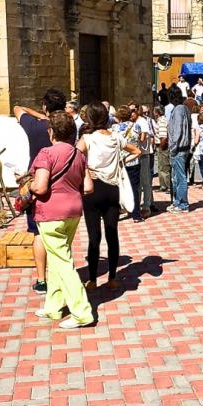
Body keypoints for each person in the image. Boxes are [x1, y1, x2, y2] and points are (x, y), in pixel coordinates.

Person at [28, 112, 91, 329]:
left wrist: (29, 186)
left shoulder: (46, 153)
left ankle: (82, 312)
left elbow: (41, 186)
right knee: (57, 258)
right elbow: (88, 187)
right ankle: (53, 307)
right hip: (73, 211)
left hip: (51, 214)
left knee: (63, 262)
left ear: (51, 131)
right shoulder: (78, 154)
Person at [77, 102, 140, 290]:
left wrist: (86, 171)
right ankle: (112, 278)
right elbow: (137, 151)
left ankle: (93, 280)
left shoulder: (87, 139)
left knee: (94, 236)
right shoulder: (116, 137)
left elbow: (75, 157)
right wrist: (120, 162)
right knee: (112, 234)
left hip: (93, 189)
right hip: (113, 189)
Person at [14, 87, 66, 294]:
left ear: (45, 107)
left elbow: (17, 108)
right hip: (61, 183)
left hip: (37, 182)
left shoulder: (34, 126)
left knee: (37, 233)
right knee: (60, 232)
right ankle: (61, 274)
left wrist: (39, 115)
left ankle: (42, 279)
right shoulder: (67, 127)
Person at [113, 106, 143, 222]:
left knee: (118, 188)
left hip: (119, 161)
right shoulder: (137, 126)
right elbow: (139, 139)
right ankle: (136, 215)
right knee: (134, 188)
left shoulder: (114, 128)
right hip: (134, 159)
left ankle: (118, 211)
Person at [167, 92, 194, 214]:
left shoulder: (178, 110)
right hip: (184, 147)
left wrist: (173, 148)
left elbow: (177, 130)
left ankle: (182, 204)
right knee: (177, 177)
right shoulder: (186, 109)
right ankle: (178, 201)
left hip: (179, 148)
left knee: (180, 177)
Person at [136, 104, 156, 216]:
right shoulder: (132, 122)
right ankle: (137, 204)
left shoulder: (142, 121)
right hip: (135, 155)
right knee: (137, 182)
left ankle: (146, 205)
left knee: (145, 181)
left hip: (143, 154)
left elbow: (144, 137)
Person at [153, 105, 170, 194]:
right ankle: (163, 185)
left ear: (157, 113)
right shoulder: (159, 120)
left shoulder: (162, 121)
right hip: (159, 145)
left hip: (162, 146)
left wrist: (161, 148)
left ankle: (168, 186)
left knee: (165, 167)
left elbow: (163, 137)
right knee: (160, 166)